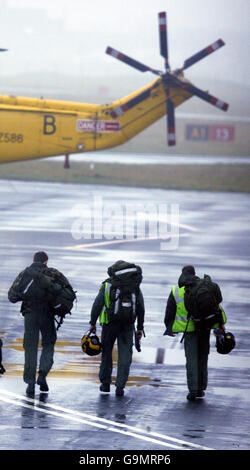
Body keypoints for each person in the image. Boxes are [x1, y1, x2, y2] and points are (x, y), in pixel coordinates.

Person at [8, 251, 73, 395]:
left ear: (33, 260)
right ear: (46, 261)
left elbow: (12, 296)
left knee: (30, 347)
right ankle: (43, 374)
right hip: (47, 314)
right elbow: (67, 292)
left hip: (30, 315)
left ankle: (30, 382)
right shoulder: (53, 273)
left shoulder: (25, 273)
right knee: (48, 344)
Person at [164, 265, 226, 401]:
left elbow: (170, 310)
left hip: (190, 330)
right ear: (195, 273)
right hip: (205, 327)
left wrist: (169, 328)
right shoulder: (207, 287)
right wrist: (221, 324)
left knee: (191, 359)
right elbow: (217, 305)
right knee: (203, 357)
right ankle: (201, 388)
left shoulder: (176, 290)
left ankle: (192, 389)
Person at [89, 260, 145, 396]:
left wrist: (92, 322)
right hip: (128, 324)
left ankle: (105, 384)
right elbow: (141, 307)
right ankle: (120, 385)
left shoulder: (108, 285)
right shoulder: (134, 286)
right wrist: (140, 327)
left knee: (107, 353)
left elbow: (97, 304)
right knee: (125, 355)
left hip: (109, 324)